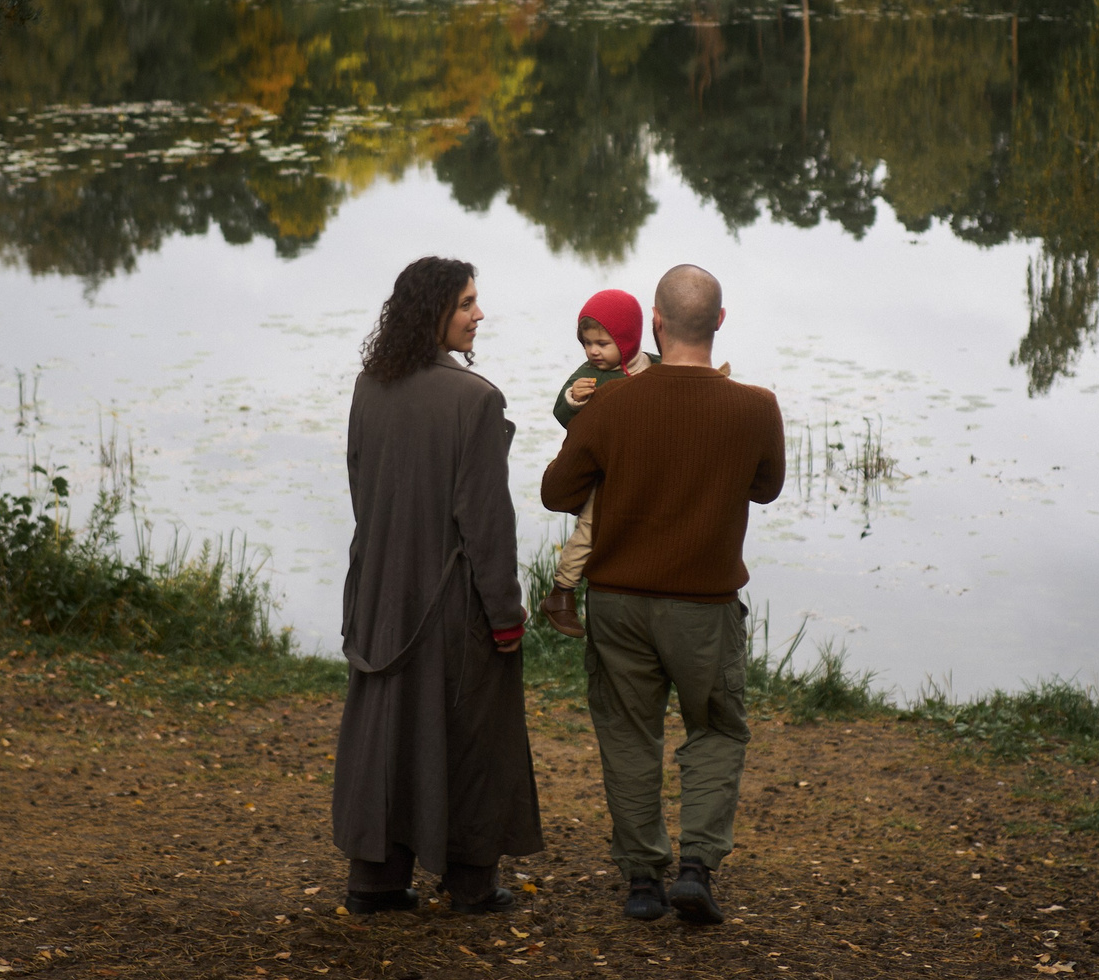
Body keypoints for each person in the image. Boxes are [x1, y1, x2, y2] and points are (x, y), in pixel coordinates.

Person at [540, 263, 785, 926]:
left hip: (618, 603)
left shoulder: (610, 403)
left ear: (654, 322)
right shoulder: (756, 407)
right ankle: (696, 868)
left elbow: (557, 493)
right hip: (705, 606)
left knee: (628, 733)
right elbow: (766, 488)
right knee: (716, 728)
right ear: (720, 321)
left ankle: (644, 880)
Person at [332, 256, 543, 916]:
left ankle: (376, 880)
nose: (479, 314)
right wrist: (505, 614)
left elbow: (361, 489)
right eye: (466, 303)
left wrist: (373, 584)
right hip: (451, 602)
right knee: (474, 730)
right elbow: (486, 523)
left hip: (380, 593)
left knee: (388, 727)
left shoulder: (370, 384)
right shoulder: (476, 399)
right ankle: (472, 884)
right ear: (434, 313)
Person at [537, 290, 654, 640]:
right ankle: (562, 591)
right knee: (589, 527)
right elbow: (562, 414)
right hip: (604, 475)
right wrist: (573, 398)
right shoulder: (588, 376)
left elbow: (685, 382)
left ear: (628, 339)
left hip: (644, 471)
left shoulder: (655, 365)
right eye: (587, 343)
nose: (593, 351)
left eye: (602, 343)